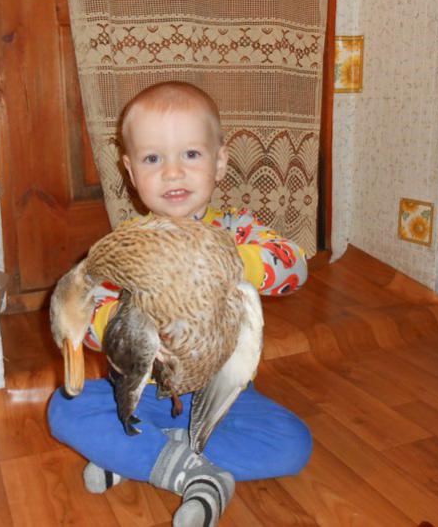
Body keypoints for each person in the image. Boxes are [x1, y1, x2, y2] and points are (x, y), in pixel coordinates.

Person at [47, 81, 311, 527]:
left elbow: (294, 267)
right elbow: (89, 325)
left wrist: (227, 262)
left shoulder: (238, 232)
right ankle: (196, 474)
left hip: (223, 400)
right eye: (153, 159)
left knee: (292, 445)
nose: (172, 173)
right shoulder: (125, 248)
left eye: (190, 154)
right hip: (144, 397)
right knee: (65, 408)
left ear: (219, 162)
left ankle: (145, 455)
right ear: (131, 172)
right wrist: (129, 326)